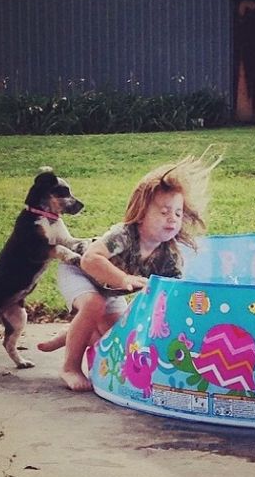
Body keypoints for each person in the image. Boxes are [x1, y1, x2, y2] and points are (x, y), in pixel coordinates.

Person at [39, 150, 220, 391]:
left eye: (178, 213)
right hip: (80, 271)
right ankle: (70, 366)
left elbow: (171, 295)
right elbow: (90, 260)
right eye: (164, 212)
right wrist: (123, 278)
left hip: (110, 289)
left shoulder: (169, 256)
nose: (172, 219)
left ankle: (73, 333)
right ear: (142, 213)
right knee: (93, 305)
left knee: (117, 336)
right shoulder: (125, 235)